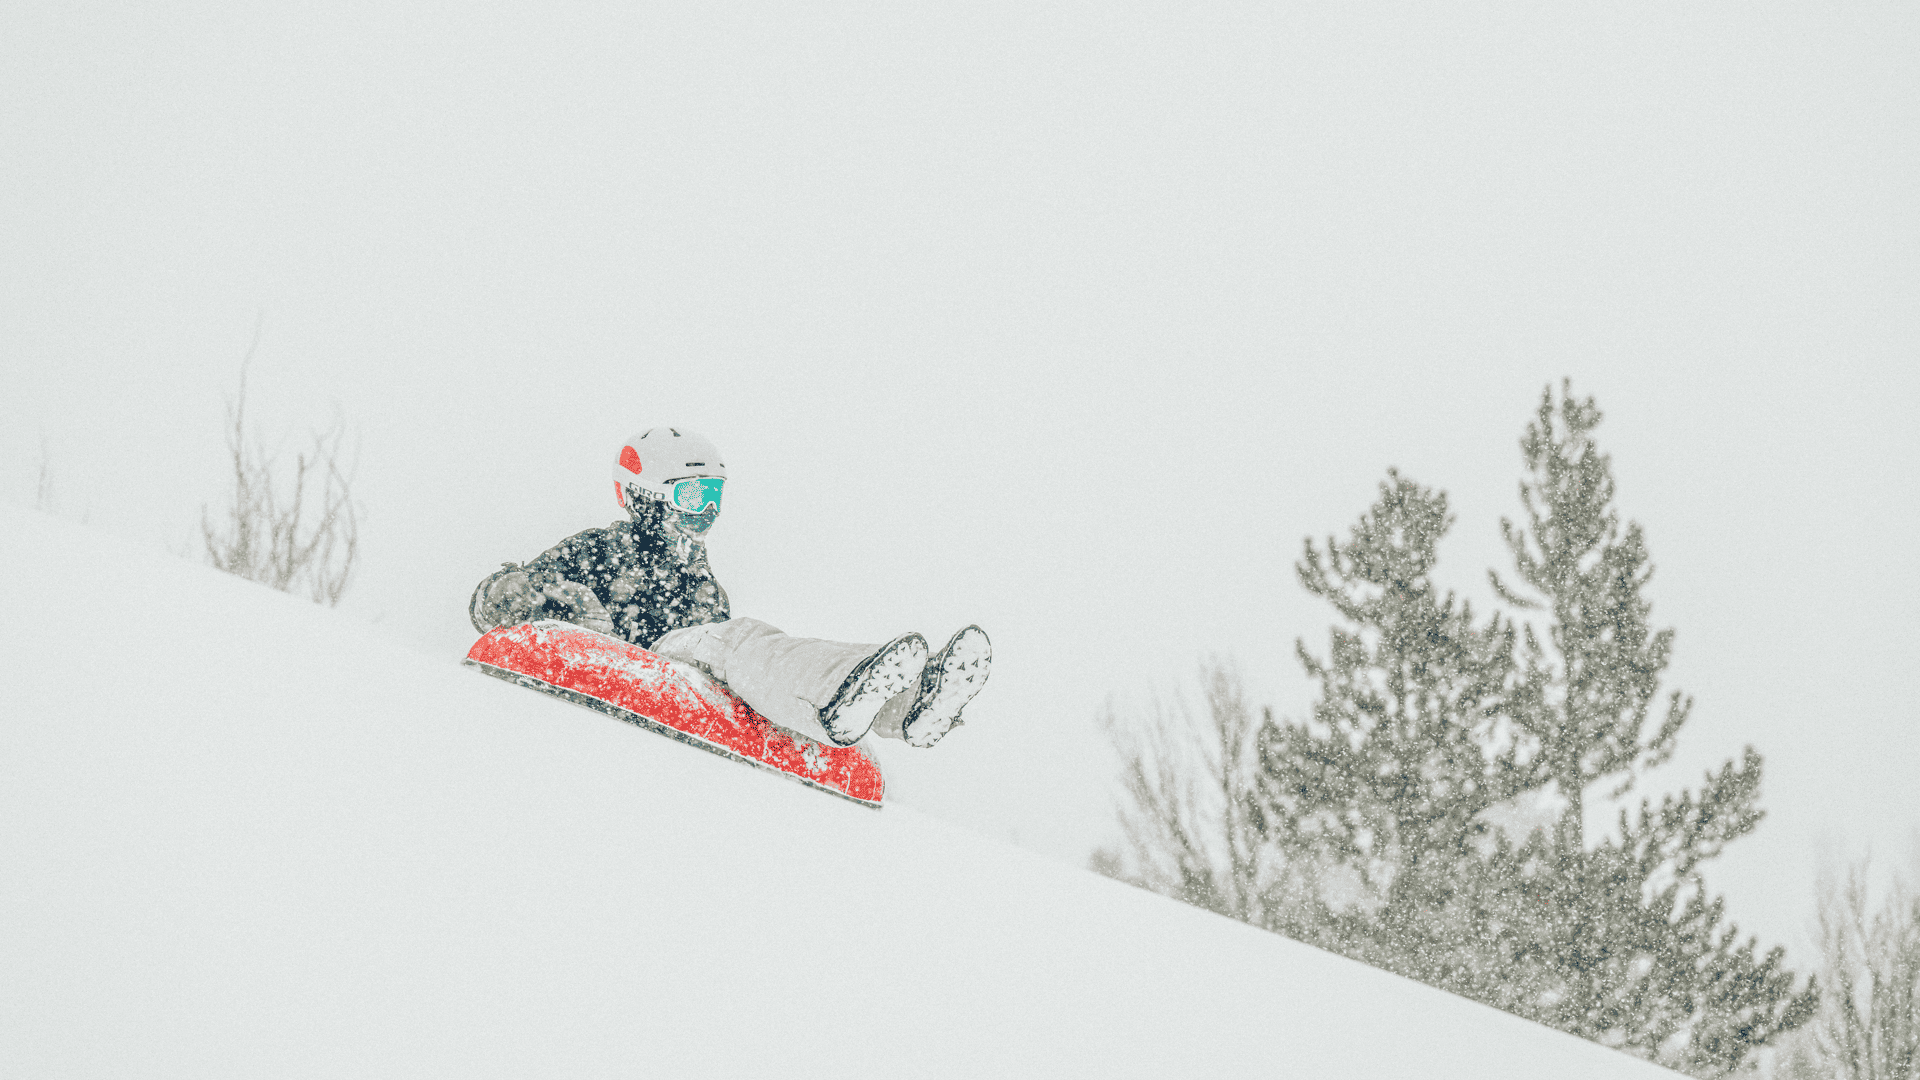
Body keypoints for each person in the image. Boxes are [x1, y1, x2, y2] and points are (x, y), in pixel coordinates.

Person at [469, 427, 990, 749]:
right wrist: (551, 598)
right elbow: (495, 599)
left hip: (693, 679)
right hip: (646, 661)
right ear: (646, 498)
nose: (710, 511)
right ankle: (847, 686)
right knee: (732, 641)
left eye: (716, 494)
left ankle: (907, 705)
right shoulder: (599, 551)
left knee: (753, 656)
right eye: (696, 496)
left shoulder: (701, 580)